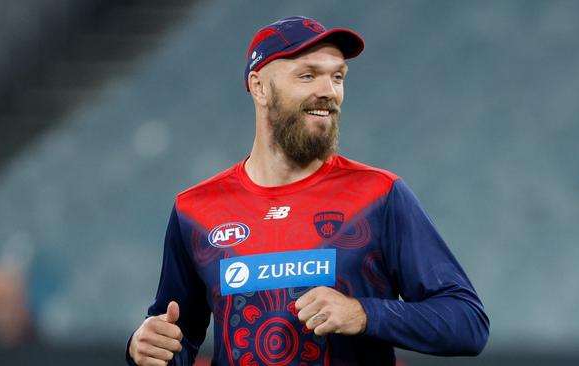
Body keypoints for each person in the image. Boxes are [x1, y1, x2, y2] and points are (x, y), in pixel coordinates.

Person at [126, 16, 489, 366]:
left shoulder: (379, 196)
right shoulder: (195, 210)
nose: (329, 91)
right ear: (259, 87)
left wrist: (363, 313)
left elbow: (467, 322)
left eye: (337, 77)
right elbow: (176, 338)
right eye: (307, 75)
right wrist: (143, 349)